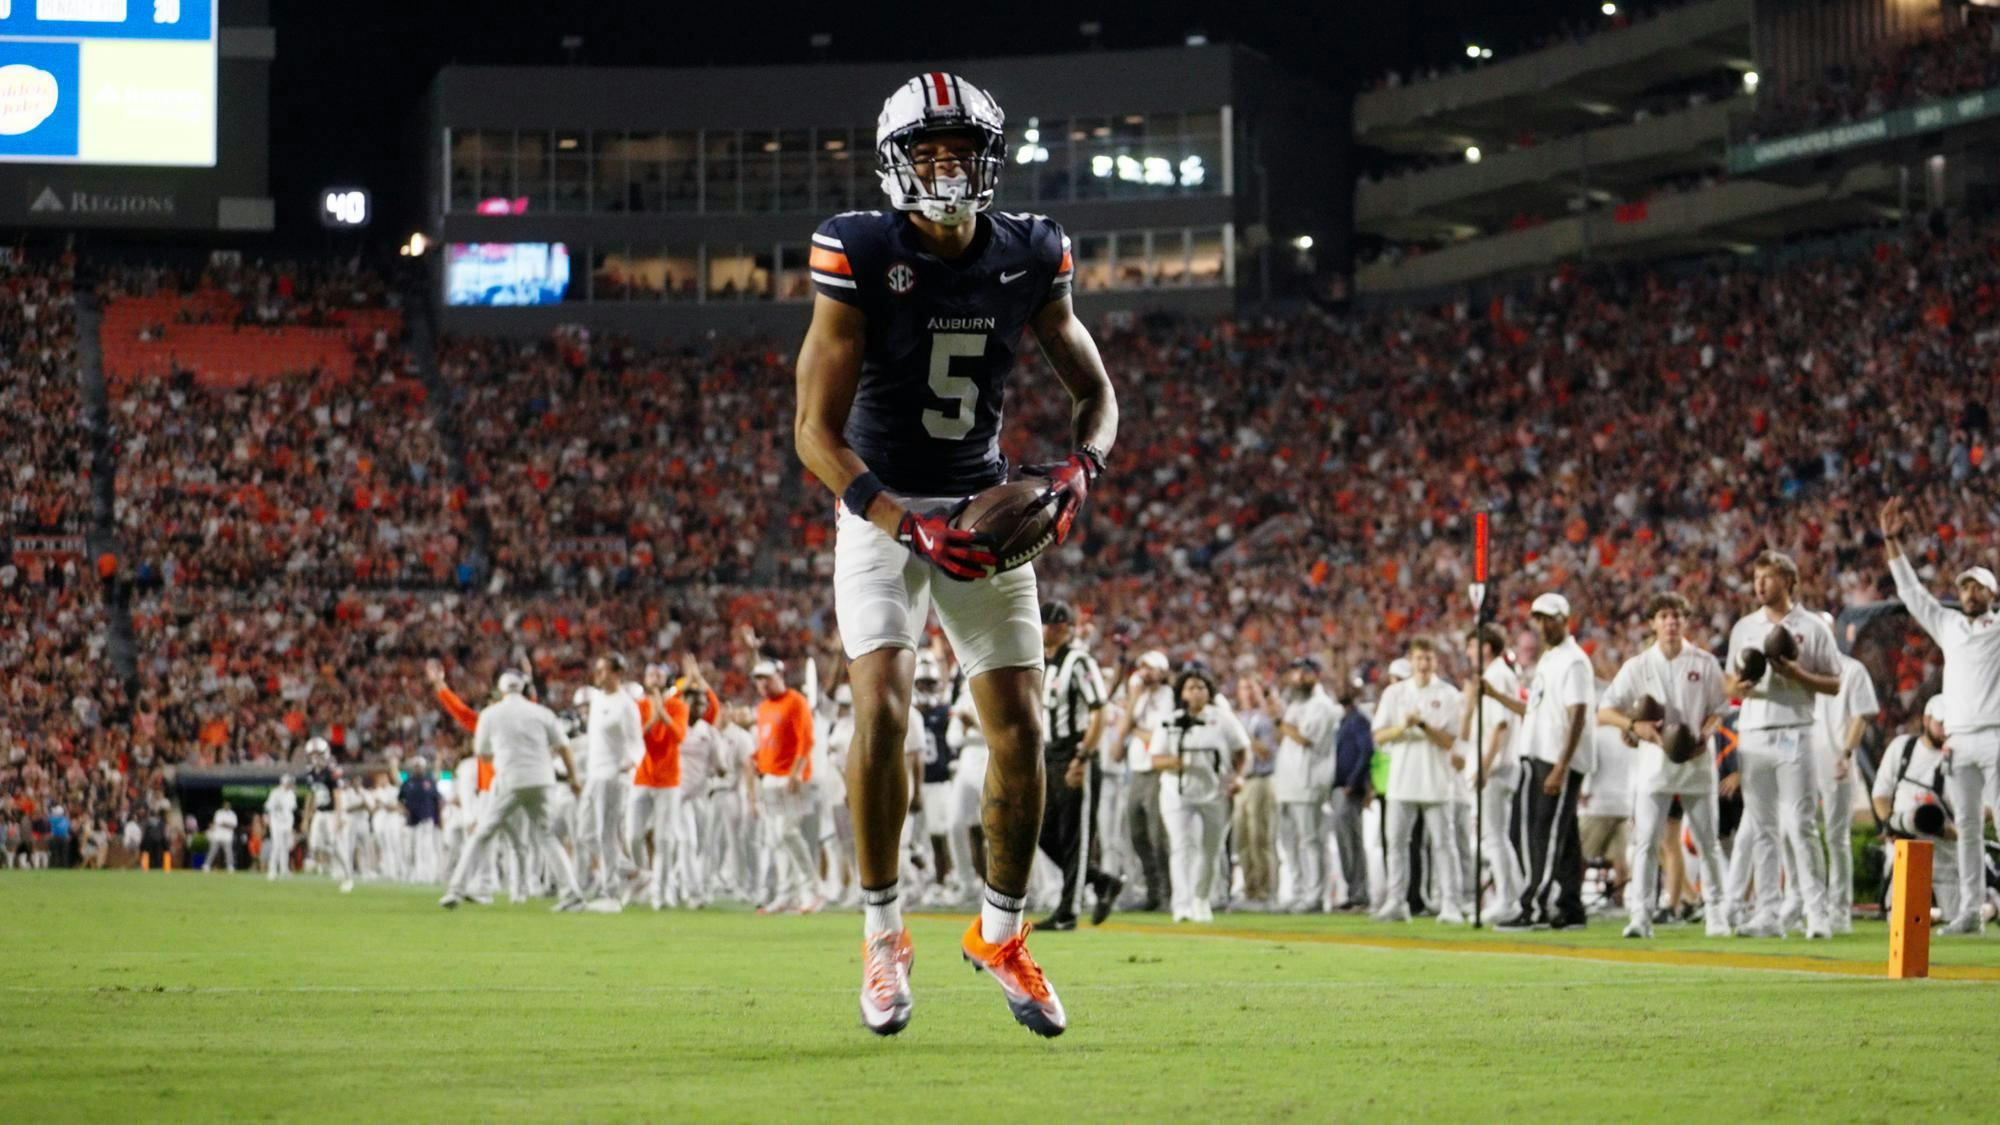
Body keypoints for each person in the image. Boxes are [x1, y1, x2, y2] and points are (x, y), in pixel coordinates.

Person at [792, 70, 1116, 1038]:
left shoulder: (1029, 253)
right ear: (896, 163)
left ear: (988, 160)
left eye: (958, 151)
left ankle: (1002, 933)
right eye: (925, 152)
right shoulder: (857, 249)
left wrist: (1075, 477)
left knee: (1020, 726)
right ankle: (883, 934)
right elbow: (813, 433)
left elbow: (1094, 395)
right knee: (883, 706)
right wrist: (902, 521)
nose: (943, 168)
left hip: (981, 504)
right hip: (884, 507)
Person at [1881, 496, 2000, 934]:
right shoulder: (1949, 625)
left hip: (1996, 735)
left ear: (1993, 593)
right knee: (1966, 827)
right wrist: (1892, 541)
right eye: (1966, 586)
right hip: (1960, 740)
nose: (1970, 593)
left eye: (1979, 587)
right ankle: (1970, 911)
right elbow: (1911, 593)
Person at [1723, 551, 1841, 939]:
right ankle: (1768, 914)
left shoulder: (1812, 626)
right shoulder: (1744, 627)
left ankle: (1816, 913)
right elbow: (1728, 684)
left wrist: (1796, 673)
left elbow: (1835, 683)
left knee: (1802, 824)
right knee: (1762, 828)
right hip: (1755, 732)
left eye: (1769, 577)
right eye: (1757, 577)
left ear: (1789, 581)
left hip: (1796, 729)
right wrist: (1738, 688)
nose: (1760, 585)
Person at [1597, 592, 1730, 938]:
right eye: (1664, 616)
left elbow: (1720, 707)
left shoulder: (1704, 662)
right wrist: (1633, 726)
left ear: (1686, 622)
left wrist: (1706, 731)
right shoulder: (1638, 666)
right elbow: (1605, 710)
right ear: (1653, 623)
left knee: (1708, 842)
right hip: (1654, 766)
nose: (1671, 622)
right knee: (1646, 842)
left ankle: (1717, 913)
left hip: (1697, 762)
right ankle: (1640, 915)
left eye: (1677, 616)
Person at [1490, 593, 1596, 930]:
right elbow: (1535, 711)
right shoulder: (1549, 660)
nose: (1543, 625)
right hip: (1537, 754)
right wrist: (1495, 696)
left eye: (1550, 618)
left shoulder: (1574, 661)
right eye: (1539, 619)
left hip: (1555, 759)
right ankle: (1570, 905)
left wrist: (1562, 766)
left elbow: (1578, 713)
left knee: (1540, 834)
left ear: (1565, 619)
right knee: (1559, 837)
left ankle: (1534, 906)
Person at [440, 670, 587, 912]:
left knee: (483, 833)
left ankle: (456, 889)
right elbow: (564, 747)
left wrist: (506, 755)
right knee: (547, 837)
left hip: (510, 779)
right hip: (543, 780)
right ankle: (572, 894)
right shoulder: (542, 713)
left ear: (501, 689)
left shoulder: (490, 714)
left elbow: (483, 754)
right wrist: (573, 778)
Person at [1038, 601, 1119, 930]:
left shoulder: (1079, 661)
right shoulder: (1043, 663)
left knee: (1076, 835)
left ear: (1062, 628)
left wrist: (1083, 756)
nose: (1043, 630)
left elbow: (1100, 711)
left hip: (1074, 751)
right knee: (1041, 832)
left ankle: (1068, 912)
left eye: (1048, 624)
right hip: (1049, 753)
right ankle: (1101, 881)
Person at [1371, 638, 1465, 922]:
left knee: (1443, 844)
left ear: (1436, 662)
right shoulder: (1395, 693)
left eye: (1429, 659)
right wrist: (1403, 726)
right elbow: (1378, 735)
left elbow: (1450, 740)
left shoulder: (1449, 695)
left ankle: (1451, 904)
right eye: (1420, 659)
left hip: (1436, 780)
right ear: (1411, 661)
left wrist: (1423, 725)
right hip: (1400, 780)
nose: (1424, 665)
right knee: (1396, 843)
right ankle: (1396, 901)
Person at [1152, 666, 1249, 922]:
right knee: (1182, 846)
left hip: (1215, 791)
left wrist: (1238, 777)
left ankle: (1201, 899)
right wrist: (1175, 762)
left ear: (1209, 691)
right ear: (1182, 692)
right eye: (1190, 687)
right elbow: (1155, 758)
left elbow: (1243, 750)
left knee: (1211, 848)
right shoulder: (1171, 721)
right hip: (1177, 791)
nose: (1196, 692)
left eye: (1201, 687)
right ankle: (1181, 903)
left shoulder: (1223, 718)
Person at [1808, 613, 1880, 934]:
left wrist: (1847, 753)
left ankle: (1839, 909)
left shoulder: (1852, 670)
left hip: (1836, 759)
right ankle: (1808, 904)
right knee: (1798, 834)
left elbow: (1861, 717)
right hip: (1803, 763)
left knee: (1836, 837)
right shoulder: (1801, 673)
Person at [1872, 697, 1960, 920]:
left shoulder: (1960, 757)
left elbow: (1985, 808)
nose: (1945, 731)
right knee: (1901, 919)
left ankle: (1988, 906)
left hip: (1946, 857)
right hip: (1904, 856)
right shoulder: (1902, 748)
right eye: (1941, 724)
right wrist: (1890, 825)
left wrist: (1953, 831)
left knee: (1955, 918)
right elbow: (1880, 795)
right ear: (1926, 719)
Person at [1461, 625, 1525, 919]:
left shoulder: (1496, 675)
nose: (1468, 653)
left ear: (1485, 648)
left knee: (1494, 837)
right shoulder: (1497, 675)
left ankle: (1507, 901)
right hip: (1500, 767)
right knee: (1498, 836)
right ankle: (1516, 896)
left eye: (1472, 647)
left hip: (1496, 768)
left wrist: (1484, 767)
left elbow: (1501, 726)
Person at [1270, 657, 1341, 913]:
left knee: (1311, 839)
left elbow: (1306, 738)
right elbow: (1282, 737)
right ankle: (1298, 890)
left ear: (1315, 675)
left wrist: (1280, 722)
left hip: (1309, 780)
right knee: (1289, 840)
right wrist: (1281, 723)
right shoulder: (1295, 704)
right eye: (1295, 673)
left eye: (1304, 673)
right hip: (1288, 780)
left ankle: (1316, 894)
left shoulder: (1322, 705)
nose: (1298, 678)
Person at [750, 659, 819, 915]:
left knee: (788, 833)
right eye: (758, 679)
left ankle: (811, 889)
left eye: (766, 678)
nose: (762, 684)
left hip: (791, 778)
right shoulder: (763, 707)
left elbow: (807, 739)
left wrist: (797, 773)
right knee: (776, 838)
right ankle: (785, 893)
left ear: (780, 676)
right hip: (770, 778)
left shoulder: (796, 700)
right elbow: (767, 742)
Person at [580, 653, 644, 901]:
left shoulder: (626, 704)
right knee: (585, 833)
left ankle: (611, 892)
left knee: (606, 834)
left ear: (617, 673)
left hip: (613, 775)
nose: (598, 675)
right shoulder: (596, 699)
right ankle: (634, 872)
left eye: (603, 670)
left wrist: (630, 762)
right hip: (593, 773)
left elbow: (637, 744)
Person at [1117, 651, 1177, 912]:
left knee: (1158, 835)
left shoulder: (1168, 696)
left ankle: (1168, 893)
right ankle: (1153, 891)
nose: (1145, 673)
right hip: (1136, 771)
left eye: (1150, 668)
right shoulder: (1138, 697)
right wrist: (1132, 702)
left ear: (1162, 672)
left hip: (1156, 772)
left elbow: (1157, 737)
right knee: (1138, 834)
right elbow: (1121, 734)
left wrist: (1133, 728)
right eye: (1142, 667)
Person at [1231, 674, 1280, 907]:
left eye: (1251, 687)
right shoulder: (1238, 717)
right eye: (1243, 687)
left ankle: (1266, 891)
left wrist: (1242, 739)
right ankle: (1250, 889)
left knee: (1260, 837)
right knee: (1242, 839)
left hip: (1261, 779)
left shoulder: (1266, 718)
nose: (1247, 693)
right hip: (1241, 781)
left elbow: (1266, 751)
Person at [1329, 677, 1375, 911]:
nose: (1340, 691)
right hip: (1340, 788)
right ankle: (1353, 891)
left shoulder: (1358, 720)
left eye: (1344, 687)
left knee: (1351, 842)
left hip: (1349, 790)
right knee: (1344, 842)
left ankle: (1360, 894)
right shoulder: (1344, 720)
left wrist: (1354, 781)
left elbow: (1367, 751)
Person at [300, 738, 351, 892]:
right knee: (314, 845)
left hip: (332, 813)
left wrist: (339, 816)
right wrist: (306, 818)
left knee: (336, 845)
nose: (315, 758)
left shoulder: (331, 772)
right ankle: (329, 865)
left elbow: (337, 795)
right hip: (319, 813)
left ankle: (348, 876)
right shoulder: (310, 774)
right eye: (312, 754)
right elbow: (311, 797)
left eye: (318, 754)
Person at [399, 757, 444, 885]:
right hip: (411, 821)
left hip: (426, 820)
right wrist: (403, 809)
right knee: (410, 849)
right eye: (416, 766)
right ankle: (410, 875)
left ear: (423, 768)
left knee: (425, 848)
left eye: (419, 766)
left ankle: (426, 875)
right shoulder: (407, 783)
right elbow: (399, 799)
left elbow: (438, 801)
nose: (417, 768)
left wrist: (439, 820)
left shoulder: (429, 782)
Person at [264, 775, 297, 880]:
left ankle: (284, 870)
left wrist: (290, 825)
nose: (290, 784)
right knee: (277, 845)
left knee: (285, 846)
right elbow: (268, 806)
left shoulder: (291, 794)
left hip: (287, 823)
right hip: (276, 821)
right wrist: (267, 816)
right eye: (288, 782)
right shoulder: (275, 792)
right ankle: (272, 870)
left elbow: (291, 809)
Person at [205, 804, 238, 873]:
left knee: (228, 852)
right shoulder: (219, 812)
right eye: (226, 805)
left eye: (228, 806)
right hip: (217, 835)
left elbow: (234, 825)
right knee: (212, 851)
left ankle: (230, 866)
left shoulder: (232, 814)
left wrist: (225, 824)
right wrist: (227, 824)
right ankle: (207, 865)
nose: (227, 806)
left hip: (227, 837)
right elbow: (217, 822)